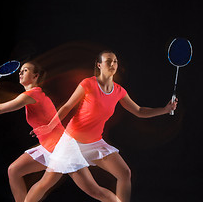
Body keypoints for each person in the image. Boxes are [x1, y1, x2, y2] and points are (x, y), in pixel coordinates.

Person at [25, 50, 178, 202]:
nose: (113, 64)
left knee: (125, 173)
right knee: (50, 184)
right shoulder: (88, 83)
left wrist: (165, 110)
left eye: (115, 61)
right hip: (71, 143)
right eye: (108, 61)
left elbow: (139, 111)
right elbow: (67, 106)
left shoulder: (119, 91)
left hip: (95, 142)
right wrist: (50, 126)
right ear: (99, 65)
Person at [0, 61, 65, 202]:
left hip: (60, 148)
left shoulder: (33, 94)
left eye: (25, 70)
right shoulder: (33, 94)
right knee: (14, 170)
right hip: (49, 146)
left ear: (35, 76)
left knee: (91, 188)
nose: (20, 72)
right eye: (21, 70)